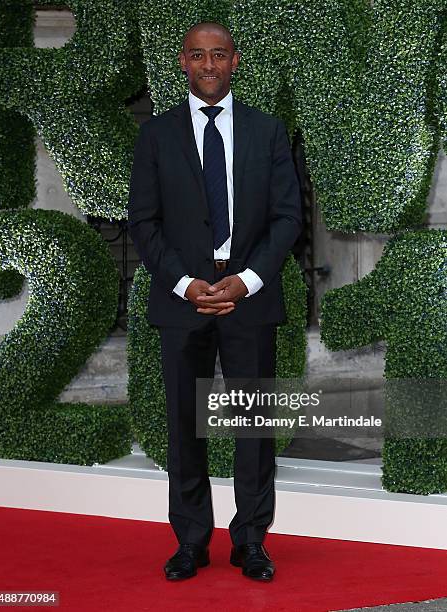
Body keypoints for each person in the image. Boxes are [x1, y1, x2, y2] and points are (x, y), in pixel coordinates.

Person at [128, 21, 302, 582]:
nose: (208, 65)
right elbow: (144, 222)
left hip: (248, 298)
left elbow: (287, 218)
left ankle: (251, 541)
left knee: (253, 428)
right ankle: (192, 542)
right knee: (184, 426)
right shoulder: (155, 136)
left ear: (235, 61)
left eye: (218, 55)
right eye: (198, 55)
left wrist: (247, 279)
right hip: (183, 300)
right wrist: (185, 283)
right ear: (183, 62)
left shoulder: (268, 132)